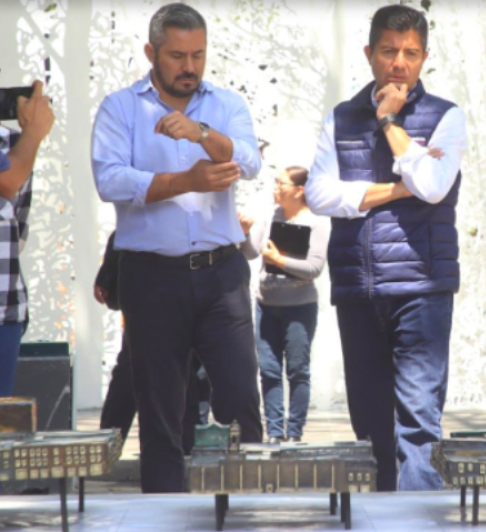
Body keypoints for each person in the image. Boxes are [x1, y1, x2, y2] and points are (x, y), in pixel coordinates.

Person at [90, 3, 262, 493]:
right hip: (151, 276)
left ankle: (245, 511)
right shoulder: (120, 108)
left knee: (239, 400)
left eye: (198, 55)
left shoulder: (225, 104)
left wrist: (204, 135)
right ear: (151, 52)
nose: (189, 67)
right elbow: (110, 180)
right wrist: (184, 180)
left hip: (222, 273)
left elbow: (248, 161)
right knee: (161, 410)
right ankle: (163, 514)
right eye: (177, 56)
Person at [305, 4, 466, 491]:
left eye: (411, 53)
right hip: (357, 288)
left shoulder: (446, 116)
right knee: (370, 426)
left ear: (424, 58)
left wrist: (391, 124)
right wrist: (398, 188)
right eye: (389, 51)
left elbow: (435, 186)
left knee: (417, 425)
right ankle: (381, 517)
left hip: (422, 287)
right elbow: (319, 194)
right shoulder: (340, 118)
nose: (400, 62)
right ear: (369, 54)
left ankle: (418, 521)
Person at [95, 232, 208, 452]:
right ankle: (107, 446)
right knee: (130, 371)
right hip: (146, 290)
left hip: (188, 288)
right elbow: (127, 227)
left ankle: (187, 449)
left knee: (189, 374)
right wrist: (107, 270)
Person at [240, 166, 329, 444]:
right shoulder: (270, 216)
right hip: (266, 304)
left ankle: (295, 432)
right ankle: (275, 432)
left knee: (298, 371)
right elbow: (251, 252)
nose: (275, 189)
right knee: (268, 370)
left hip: (299, 308)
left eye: (281, 184)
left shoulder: (317, 222)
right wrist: (244, 232)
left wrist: (279, 261)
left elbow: (314, 268)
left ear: (299, 191)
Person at [0, 80, 53, 397]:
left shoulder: (12, 143)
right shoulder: (22, 145)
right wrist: (34, 133)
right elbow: (8, 183)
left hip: (6, 308)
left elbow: (18, 227)